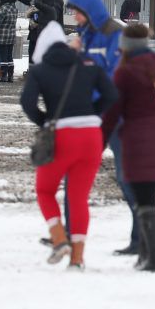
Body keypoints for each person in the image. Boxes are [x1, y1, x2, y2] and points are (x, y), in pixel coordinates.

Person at [20, 21, 116, 271]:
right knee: (78, 198)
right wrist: (92, 115)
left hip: (61, 136)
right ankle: (77, 259)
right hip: (91, 137)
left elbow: (27, 102)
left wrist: (45, 121)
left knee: (44, 190)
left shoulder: (41, 70)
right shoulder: (87, 64)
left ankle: (59, 238)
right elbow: (111, 96)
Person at [104, 22, 155, 273]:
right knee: (148, 198)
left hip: (138, 142)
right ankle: (146, 255)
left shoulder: (124, 72)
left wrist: (99, 140)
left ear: (125, 46)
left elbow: (111, 113)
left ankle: (154, 258)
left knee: (144, 200)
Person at [66, 0, 137, 253]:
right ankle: (68, 234)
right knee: (75, 172)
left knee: (126, 177)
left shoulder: (114, 34)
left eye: (77, 12)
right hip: (90, 115)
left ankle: (140, 239)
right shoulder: (82, 36)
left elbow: (115, 76)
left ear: (89, 10)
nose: (75, 18)